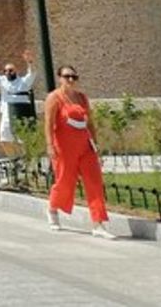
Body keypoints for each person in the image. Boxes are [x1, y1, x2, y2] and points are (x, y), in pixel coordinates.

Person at [44, 66, 115, 238]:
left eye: (74, 77)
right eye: (67, 76)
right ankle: (52, 209)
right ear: (59, 78)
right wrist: (49, 145)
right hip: (64, 147)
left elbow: (89, 122)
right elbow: (48, 123)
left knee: (94, 182)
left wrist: (95, 143)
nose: (70, 80)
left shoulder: (82, 98)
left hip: (85, 146)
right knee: (65, 182)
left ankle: (98, 224)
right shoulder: (54, 98)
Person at [0, 48, 36, 156]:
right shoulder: (2, 80)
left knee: (23, 141)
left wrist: (29, 61)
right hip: (7, 115)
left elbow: (32, 72)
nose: (8, 73)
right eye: (6, 71)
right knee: (5, 139)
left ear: (16, 71)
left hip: (21, 114)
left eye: (11, 70)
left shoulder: (24, 82)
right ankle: (14, 159)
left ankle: (25, 160)